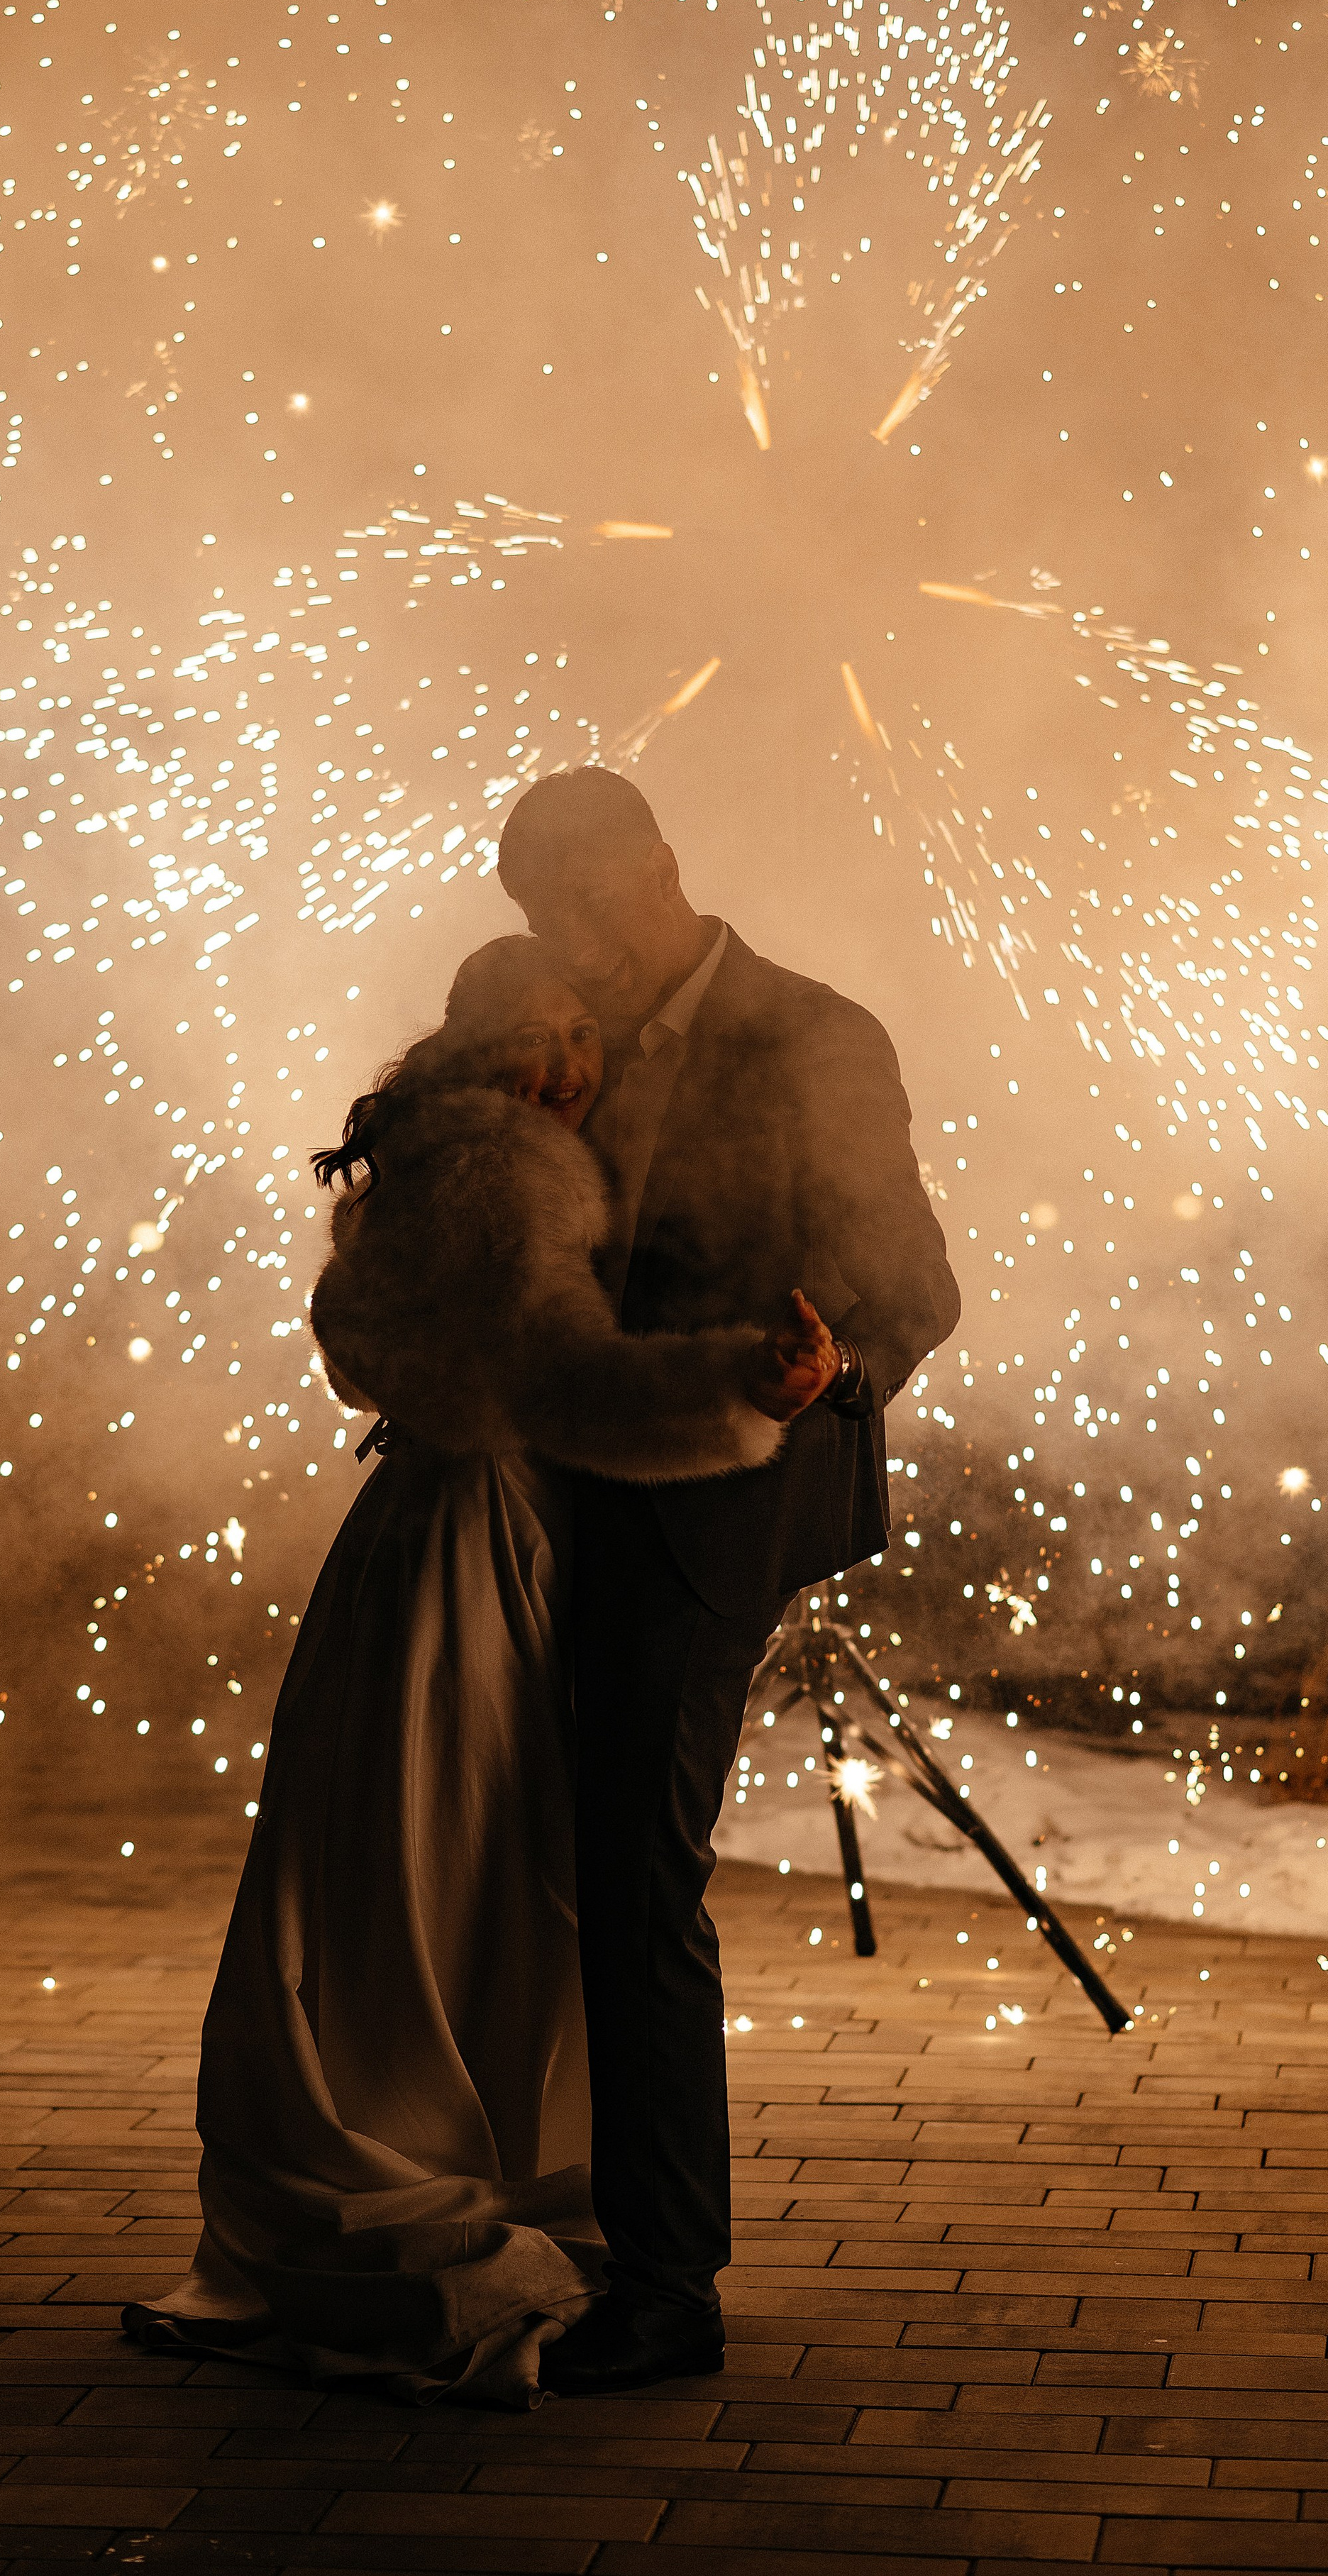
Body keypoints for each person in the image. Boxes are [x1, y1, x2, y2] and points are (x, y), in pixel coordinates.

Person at [123, 934, 830, 2404]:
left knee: (406, 1855)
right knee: (471, 1859)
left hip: (419, 1528)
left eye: (581, 1034)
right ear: (472, 1051)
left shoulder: (421, 1164)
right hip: (486, 1541)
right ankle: (445, 2155)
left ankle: (424, 2129)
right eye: (532, 1039)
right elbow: (566, 1380)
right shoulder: (510, 1176)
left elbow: (354, 1347)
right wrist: (737, 1391)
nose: (564, 1068)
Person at [494, 768, 962, 2398]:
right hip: (550, 1490)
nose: (573, 943)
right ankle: (542, 2203)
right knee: (544, 1851)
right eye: (541, 916)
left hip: (714, 1496)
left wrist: (833, 1364)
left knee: (634, 1870)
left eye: (589, 904)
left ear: (663, 865)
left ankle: (667, 2283)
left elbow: (913, 1282)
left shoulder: (815, 1035)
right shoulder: (559, 1028)